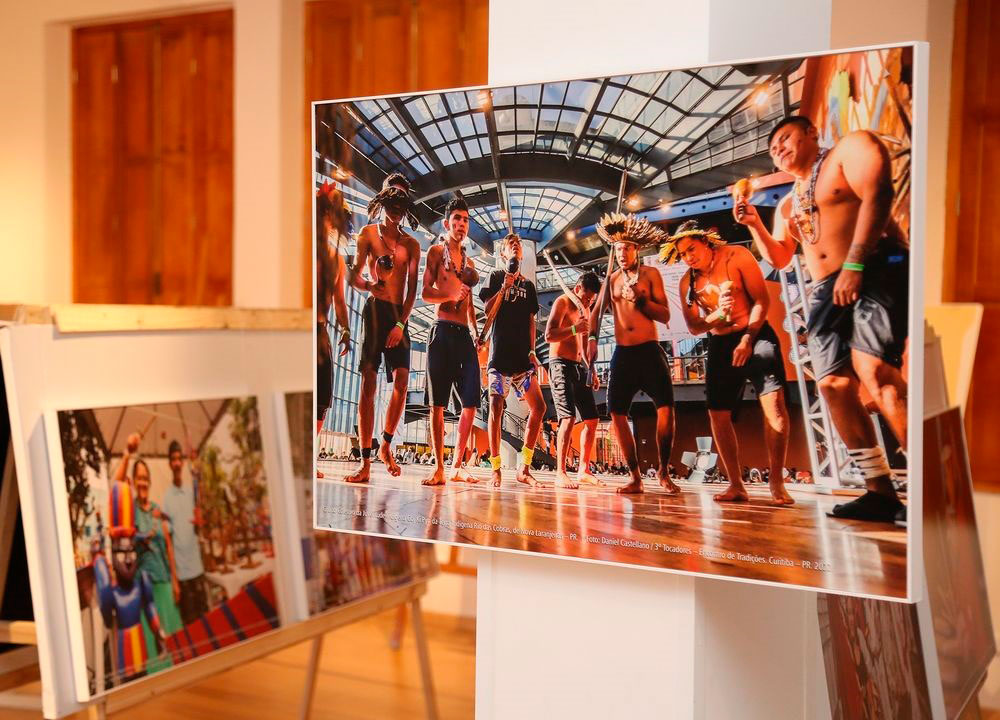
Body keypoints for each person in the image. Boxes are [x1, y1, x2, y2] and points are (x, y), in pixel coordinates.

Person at [735, 115, 908, 524]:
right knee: (833, 385)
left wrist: (856, 264)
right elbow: (780, 257)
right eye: (772, 149)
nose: (779, 149)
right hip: (825, 288)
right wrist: (754, 223)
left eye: (785, 138)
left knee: (875, 371)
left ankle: (934, 486)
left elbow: (879, 193)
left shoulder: (849, 150)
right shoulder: (788, 202)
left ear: (811, 132)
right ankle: (879, 492)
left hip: (873, 264)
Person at [663, 220, 794, 506]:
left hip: (755, 334)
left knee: (774, 404)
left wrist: (747, 339)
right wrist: (718, 315)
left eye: (692, 249)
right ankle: (736, 484)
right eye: (682, 254)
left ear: (706, 241)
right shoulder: (688, 283)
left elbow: (761, 301)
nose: (688, 257)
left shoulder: (737, 256)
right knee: (717, 413)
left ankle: (777, 481)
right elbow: (695, 327)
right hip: (721, 343)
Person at [587, 213, 678, 495]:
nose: (622, 253)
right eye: (618, 249)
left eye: (626, 248)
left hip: (649, 350)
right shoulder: (611, 280)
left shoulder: (651, 275)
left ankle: (663, 471)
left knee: (666, 409)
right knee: (616, 413)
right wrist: (592, 338)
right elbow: (595, 314)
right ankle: (635, 476)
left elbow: (665, 315)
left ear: (636, 249)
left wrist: (641, 299)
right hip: (623, 353)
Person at [343, 174, 421, 483]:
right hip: (374, 310)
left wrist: (401, 323)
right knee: (368, 381)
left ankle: (386, 445)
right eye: (392, 197)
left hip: (398, 314)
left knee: (402, 380)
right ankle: (364, 461)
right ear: (383, 198)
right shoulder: (368, 234)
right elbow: (353, 275)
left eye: (402, 198)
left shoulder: (412, 244)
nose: (397, 205)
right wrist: (369, 284)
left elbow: (412, 290)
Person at [420, 198, 481, 485]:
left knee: (470, 401)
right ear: (447, 223)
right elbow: (425, 293)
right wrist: (450, 295)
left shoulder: (470, 263)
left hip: (464, 334)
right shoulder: (435, 252)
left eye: (465, 220)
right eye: (457, 219)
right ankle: (439, 468)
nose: (461, 224)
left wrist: (476, 331)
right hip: (442, 330)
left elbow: (469, 304)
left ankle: (457, 465)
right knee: (438, 403)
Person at [479, 233, 546, 487]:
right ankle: (496, 468)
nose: (516, 246)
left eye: (518, 244)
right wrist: (503, 288)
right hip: (499, 357)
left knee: (539, 408)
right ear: (503, 254)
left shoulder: (528, 286)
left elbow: (531, 321)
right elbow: (487, 311)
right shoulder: (496, 276)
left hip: (522, 359)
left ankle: (524, 468)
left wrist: (532, 351)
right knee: (496, 406)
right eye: (511, 244)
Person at [545, 270, 603, 489]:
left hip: (578, 367)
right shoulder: (562, 302)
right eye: (587, 298)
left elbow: (584, 343)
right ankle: (560, 472)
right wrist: (574, 328)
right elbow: (549, 335)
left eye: (591, 300)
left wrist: (592, 370)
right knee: (568, 418)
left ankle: (583, 470)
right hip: (559, 364)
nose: (588, 302)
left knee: (592, 420)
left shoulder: (585, 309)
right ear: (578, 288)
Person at [316, 181, 352, 480]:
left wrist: (346, 331)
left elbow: (340, 300)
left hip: (320, 330)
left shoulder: (336, 258)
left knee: (323, 397)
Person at [133, 458, 183, 672]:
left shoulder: (157, 510)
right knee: (154, 648)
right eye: (139, 478)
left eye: (145, 478)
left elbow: (169, 547)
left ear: (150, 482)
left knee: (173, 638)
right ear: (133, 481)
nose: (143, 483)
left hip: (164, 581)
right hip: (144, 590)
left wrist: (175, 580)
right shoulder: (130, 511)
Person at [162, 440, 208, 625]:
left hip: (198, 570)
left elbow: (200, 522)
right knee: (191, 628)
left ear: (182, 462)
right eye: (173, 459)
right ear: (169, 464)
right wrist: (174, 580)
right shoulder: (167, 499)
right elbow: (168, 543)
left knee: (207, 623)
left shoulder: (191, 492)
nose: (176, 463)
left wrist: (200, 519)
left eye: (179, 459)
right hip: (182, 577)